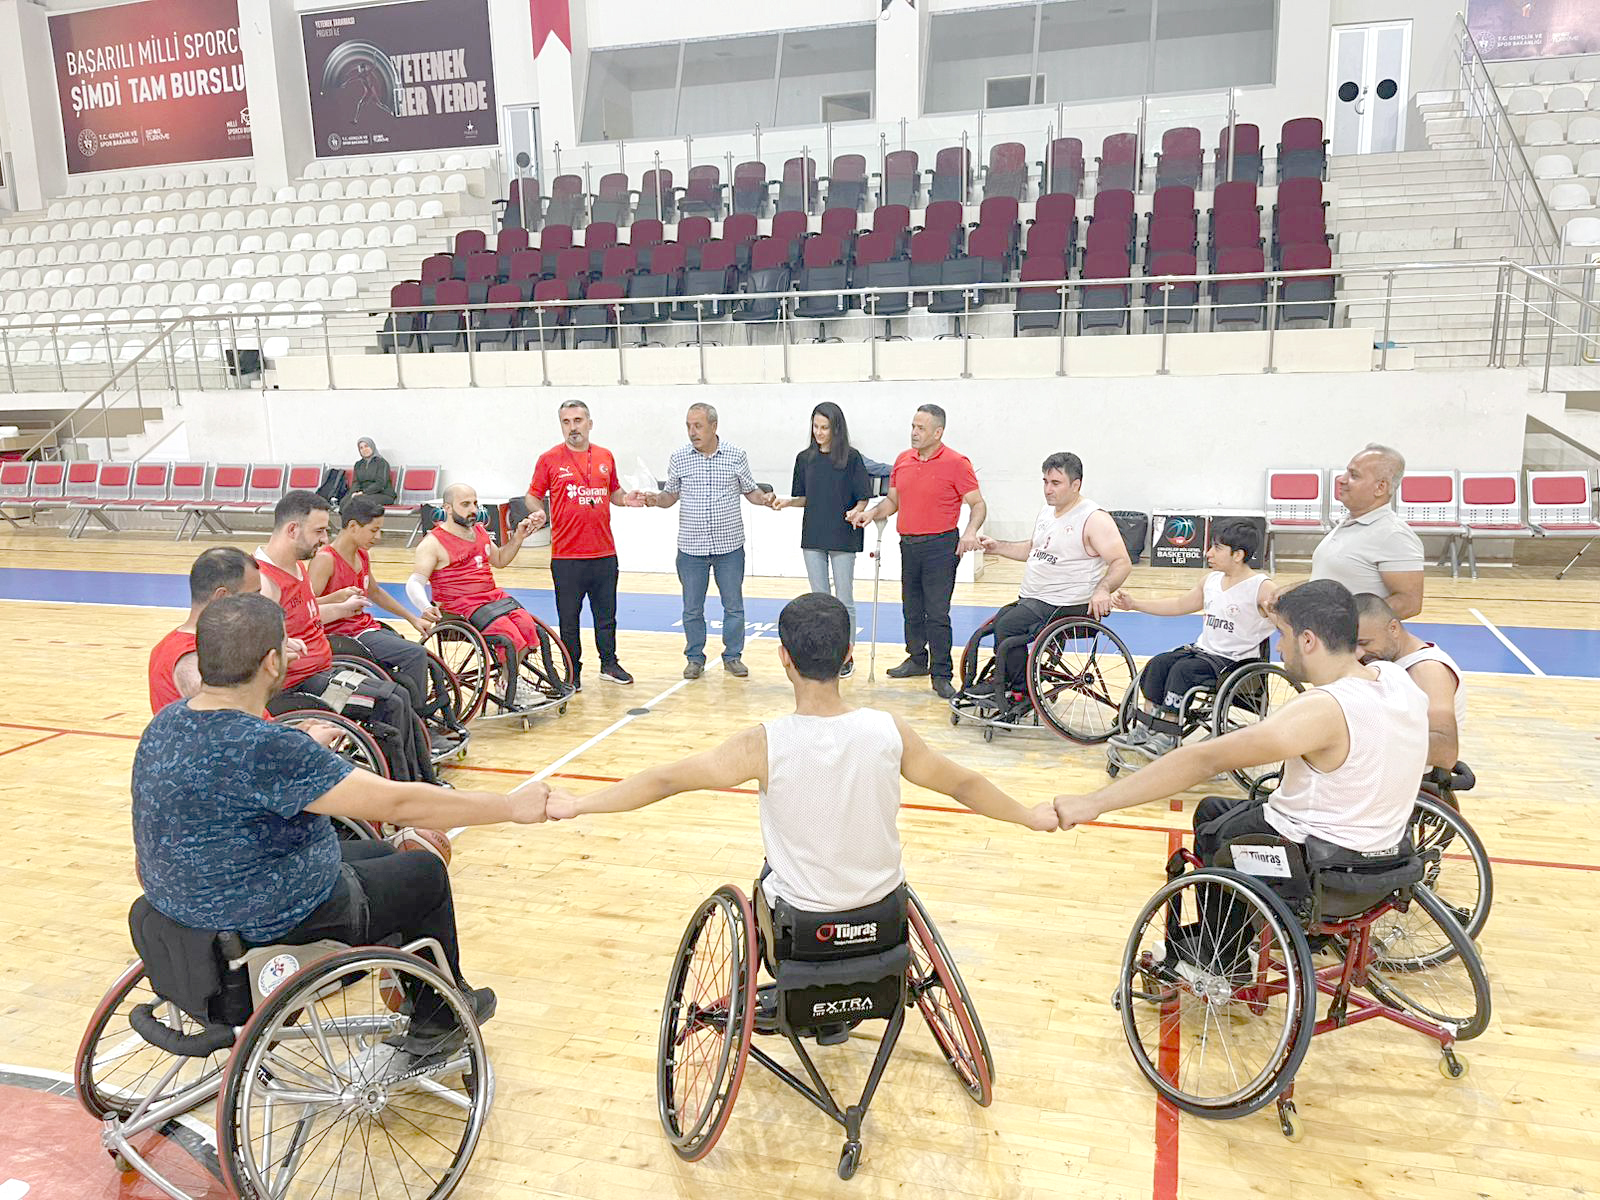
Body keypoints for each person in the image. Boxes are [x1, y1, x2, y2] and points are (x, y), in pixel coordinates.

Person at [132, 593, 560, 1050]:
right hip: (259, 918)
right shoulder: (270, 748)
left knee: (381, 853)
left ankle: (408, 977)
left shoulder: (167, 723)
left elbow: (234, 773)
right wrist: (511, 807)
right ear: (273, 661)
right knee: (423, 872)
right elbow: (396, 805)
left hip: (183, 905)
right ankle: (438, 1019)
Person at [547, 590, 1056, 913]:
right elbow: (965, 784)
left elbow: (663, 781)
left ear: (783, 658)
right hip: (881, 909)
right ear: (849, 656)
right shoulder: (889, 730)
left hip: (803, 919)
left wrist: (578, 804)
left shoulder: (763, 744)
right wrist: (1029, 816)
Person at [1054, 579, 1429, 859]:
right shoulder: (1396, 679)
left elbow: (1204, 758)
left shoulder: (1325, 709)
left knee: (1220, 835)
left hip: (1322, 854)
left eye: (1282, 634)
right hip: (1388, 847)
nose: (1279, 647)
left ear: (1309, 640)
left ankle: (1215, 956)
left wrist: (1094, 803)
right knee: (1214, 809)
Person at [258, 490, 438, 783]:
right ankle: (406, 792)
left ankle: (424, 781)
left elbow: (310, 613)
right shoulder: (264, 581)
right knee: (389, 703)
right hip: (299, 686)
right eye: (318, 531)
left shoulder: (297, 568)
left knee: (399, 693)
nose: (324, 539)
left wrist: (341, 606)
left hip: (322, 672)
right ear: (292, 530)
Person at [967, 452, 1131, 707]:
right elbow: (1033, 549)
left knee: (1009, 626)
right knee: (999, 621)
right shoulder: (1047, 512)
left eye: (1055, 483)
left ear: (1076, 485)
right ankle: (1006, 678)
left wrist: (1103, 589)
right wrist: (998, 547)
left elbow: (1122, 562)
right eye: (1045, 482)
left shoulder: (1093, 518)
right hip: (1035, 600)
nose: (1047, 489)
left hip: (1067, 604)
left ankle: (1019, 688)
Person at [1108, 518, 1278, 759]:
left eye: (1217, 548)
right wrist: (1135, 604)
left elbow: (1284, 619)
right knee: (1159, 663)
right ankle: (1145, 726)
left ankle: (1167, 734)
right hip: (1203, 653)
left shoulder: (1261, 587)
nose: (1208, 553)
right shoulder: (1211, 581)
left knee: (1183, 671)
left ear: (1238, 555)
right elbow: (1179, 604)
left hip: (1233, 663)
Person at [850, 405, 986, 700]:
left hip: (940, 546)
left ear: (938, 432)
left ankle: (941, 673)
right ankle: (916, 659)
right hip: (908, 545)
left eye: (921, 428)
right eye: (913, 426)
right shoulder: (902, 461)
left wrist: (971, 531)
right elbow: (893, 502)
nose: (914, 432)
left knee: (936, 612)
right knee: (911, 608)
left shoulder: (957, 463)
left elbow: (978, 504)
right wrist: (871, 514)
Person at [641, 403, 775, 679]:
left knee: (734, 606)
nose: (692, 432)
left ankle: (733, 656)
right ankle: (694, 658)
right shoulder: (679, 458)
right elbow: (670, 496)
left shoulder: (736, 455)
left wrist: (764, 499)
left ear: (714, 426)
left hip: (729, 546)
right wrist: (656, 500)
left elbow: (750, 490)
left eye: (698, 426)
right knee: (692, 608)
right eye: (689, 426)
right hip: (691, 548)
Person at [524, 400, 645, 689]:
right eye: (566, 422)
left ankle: (609, 663)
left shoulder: (605, 456)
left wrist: (626, 499)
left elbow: (614, 491)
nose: (573, 427)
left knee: (607, 616)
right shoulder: (549, 459)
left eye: (578, 420)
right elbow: (532, 495)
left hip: (604, 553)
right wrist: (538, 510)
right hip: (567, 557)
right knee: (569, 619)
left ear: (589, 423)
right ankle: (572, 671)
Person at [409, 483, 552, 708]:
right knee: (508, 635)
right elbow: (415, 582)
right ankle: (510, 682)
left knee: (527, 627)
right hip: (459, 606)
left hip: (491, 598)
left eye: (475, 503)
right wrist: (425, 606)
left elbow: (500, 561)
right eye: (465, 504)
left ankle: (506, 679)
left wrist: (517, 539)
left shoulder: (480, 531)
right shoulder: (432, 543)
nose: (473, 509)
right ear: (447, 508)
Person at [308, 494, 437, 712]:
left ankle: (405, 707)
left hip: (366, 628)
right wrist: (336, 598)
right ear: (352, 526)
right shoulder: (325, 559)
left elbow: (375, 592)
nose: (378, 537)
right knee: (415, 654)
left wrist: (412, 618)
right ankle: (418, 719)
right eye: (373, 530)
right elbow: (308, 607)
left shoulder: (362, 555)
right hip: (343, 636)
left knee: (412, 650)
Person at [773, 402, 872, 676]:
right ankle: (822, 655)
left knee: (844, 599)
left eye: (825, 427)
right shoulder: (805, 459)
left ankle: (846, 654)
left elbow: (863, 495)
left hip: (843, 535)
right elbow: (805, 497)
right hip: (814, 535)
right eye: (816, 427)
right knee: (820, 600)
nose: (819, 432)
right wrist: (787, 503)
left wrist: (857, 510)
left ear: (836, 428)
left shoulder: (852, 458)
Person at [1354, 592, 1466, 772]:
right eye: (1353, 645)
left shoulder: (1428, 670)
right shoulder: (1389, 660)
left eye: (1364, 643)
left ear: (1393, 628)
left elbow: (1445, 751)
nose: (1358, 653)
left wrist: (1358, 740)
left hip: (1411, 781)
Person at [1311, 444, 1424, 620]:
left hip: (1353, 643)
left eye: (1354, 475)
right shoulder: (1350, 523)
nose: (1342, 479)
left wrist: (1342, 620)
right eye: (1346, 472)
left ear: (1380, 488)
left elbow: (1409, 603)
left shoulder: (1394, 535)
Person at [149, 547, 263, 713]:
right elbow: (231, 722)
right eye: (253, 596)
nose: (259, 604)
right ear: (222, 597)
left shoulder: (215, 642)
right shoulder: (190, 660)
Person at [352, 437, 397, 505]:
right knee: (345, 501)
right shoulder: (358, 464)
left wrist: (363, 492)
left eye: (366, 446)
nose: (364, 449)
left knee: (360, 500)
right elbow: (356, 482)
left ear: (372, 447)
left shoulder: (382, 463)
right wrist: (354, 493)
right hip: (363, 494)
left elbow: (381, 483)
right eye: (361, 448)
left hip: (383, 494)